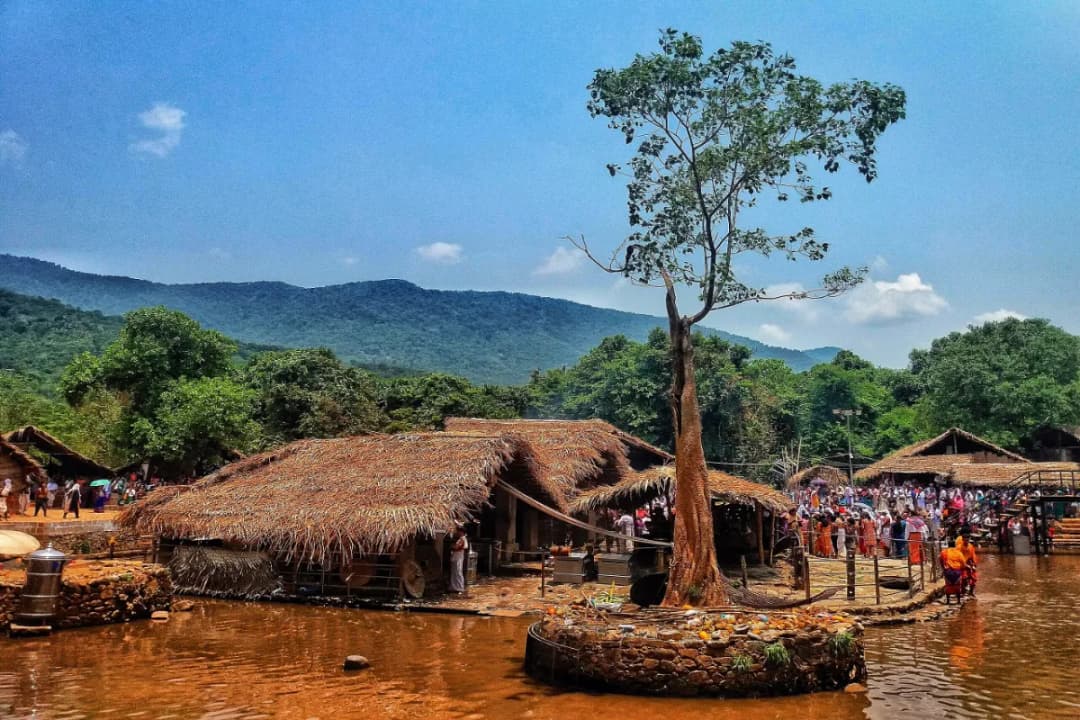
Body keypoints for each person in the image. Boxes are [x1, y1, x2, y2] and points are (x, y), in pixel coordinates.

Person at [940, 539, 967, 604]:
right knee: (957, 586)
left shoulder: (944, 552)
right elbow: (963, 563)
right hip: (957, 572)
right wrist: (962, 569)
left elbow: (941, 560)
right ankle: (958, 601)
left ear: (948, 545)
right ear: (955, 545)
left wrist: (943, 568)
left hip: (948, 572)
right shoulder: (959, 553)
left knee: (948, 586)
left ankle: (948, 601)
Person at [448, 527, 468, 594]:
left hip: (459, 557)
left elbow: (458, 547)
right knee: (454, 572)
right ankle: (453, 587)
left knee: (458, 572)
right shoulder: (460, 539)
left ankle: (460, 588)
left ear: (462, 532)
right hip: (455, 556)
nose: (457, 533)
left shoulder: (463, 539)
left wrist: (453, 547)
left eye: (459, 531)